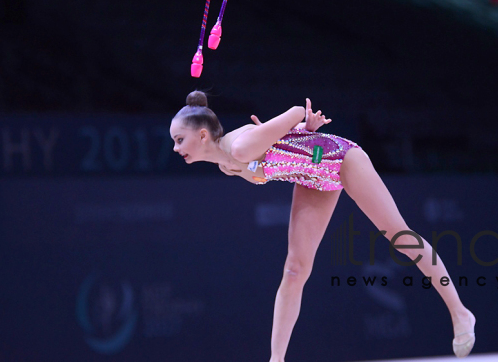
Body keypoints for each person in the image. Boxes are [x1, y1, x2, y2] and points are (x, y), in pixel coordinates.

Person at [170, 90, 476, 361]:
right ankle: (276, 360)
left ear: (202, 136)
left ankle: (460, 313)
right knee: (294, 270)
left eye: (179, 140)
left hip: (339, 158)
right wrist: (299, 132)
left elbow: (296, 111)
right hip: (311, 177)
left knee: (400, 236)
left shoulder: (239, 147)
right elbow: (284, 148)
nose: (175, 147)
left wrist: (292, 123)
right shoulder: (226, 165)